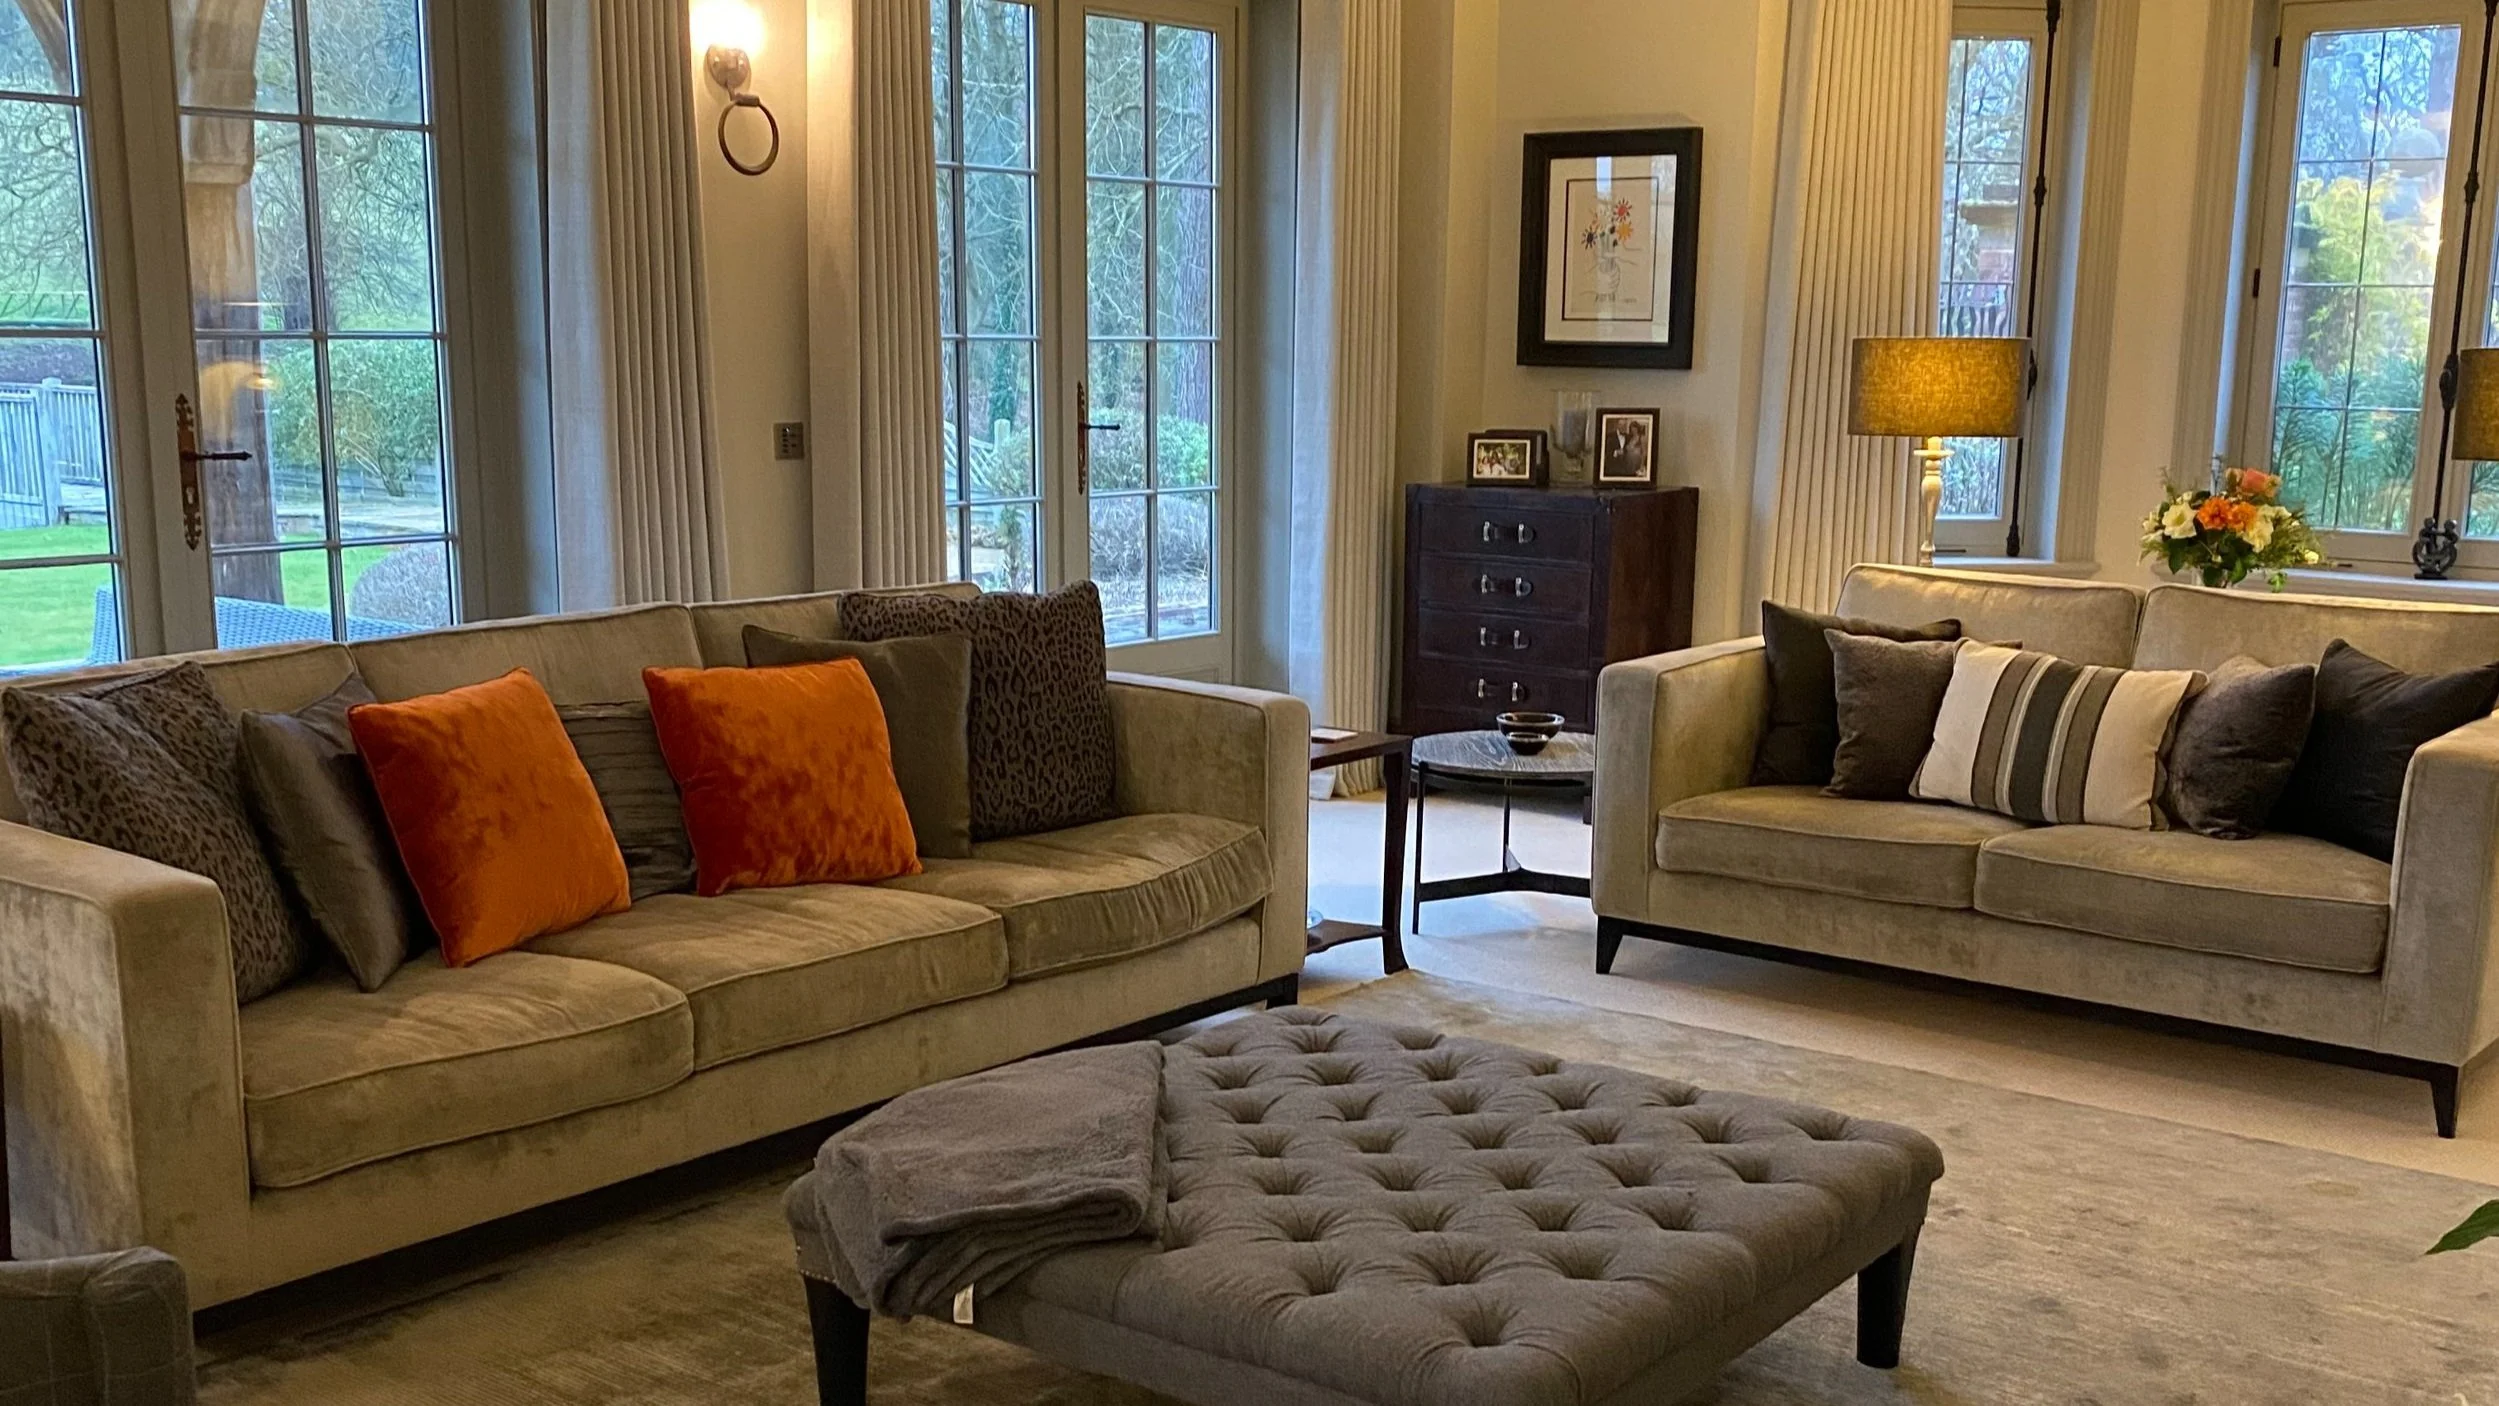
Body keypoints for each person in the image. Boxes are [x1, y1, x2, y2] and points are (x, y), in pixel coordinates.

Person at [1603, 417, 1650, 482]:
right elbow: (1605, 452)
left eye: (1624, 425)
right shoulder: (1610, 436)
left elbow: (1645, 452)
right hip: (1615, 467)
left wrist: (1642, 466)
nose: (1633, 430)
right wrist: (1616, 452)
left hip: (1633, 466)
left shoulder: (1636, 437)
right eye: (1632, 428)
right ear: (1617, 425)